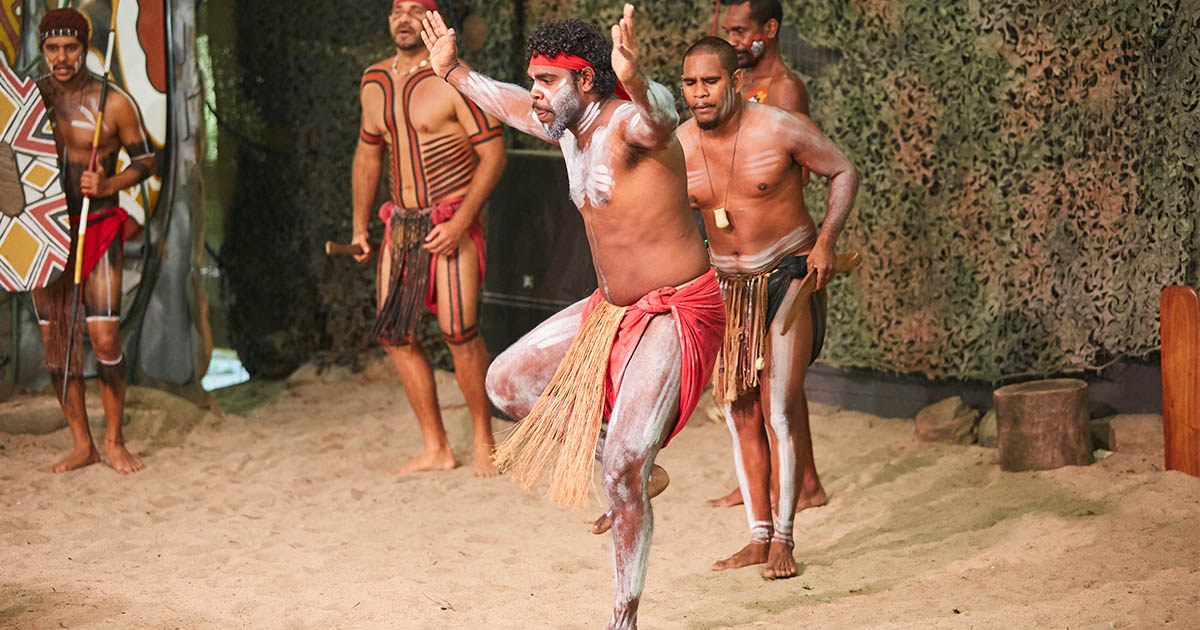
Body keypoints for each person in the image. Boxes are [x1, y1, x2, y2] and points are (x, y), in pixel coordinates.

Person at [421, 6, 724, 629]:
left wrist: (637, 78)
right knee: (503, 384)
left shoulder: (627, 126)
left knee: (621, 472)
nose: (535, 91)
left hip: (675, 311)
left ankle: (623, 617)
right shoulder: (566, 129)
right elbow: (507, 104)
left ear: (587, 80)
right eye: (534, 77)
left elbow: (664, 118)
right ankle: (629, 459)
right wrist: (453, 73)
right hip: (608, 309)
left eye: (548, 80)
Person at [677, 37, 858, 579]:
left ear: (735, 81)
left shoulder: (779, 127)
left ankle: (784, 539)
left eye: (710, 81)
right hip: (728, 287)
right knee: (739, 413)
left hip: (787, 275)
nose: (699, 94)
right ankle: (757, 538)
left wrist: (825, 241)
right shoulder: (679, 144)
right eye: (689, 83)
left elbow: (843, 171)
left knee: (779, 409)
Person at [351, 0, 506, 477]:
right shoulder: (374, 81)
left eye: (415, 9)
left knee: (460, 333)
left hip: (450, 219)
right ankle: (436, 446)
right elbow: (368, 155)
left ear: (434, 19)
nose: (403, 17)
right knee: (395, 333)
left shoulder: (455, 79)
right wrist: (359, 225)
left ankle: (483, 437)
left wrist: (459, 223)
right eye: (397, 8)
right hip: (401, 222)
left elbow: (495, 155)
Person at [707, 0, 821, 510]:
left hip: (783, 256)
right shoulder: (738, 83)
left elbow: (804, 163)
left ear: (769, 30)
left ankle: (799, 482)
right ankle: (774, 477)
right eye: (725, 31)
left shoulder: (783, 89)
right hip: (741, 262)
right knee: (760, 379)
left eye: (739, 30)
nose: (731, 39)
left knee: (778, 378)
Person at [33, 8, 156, 474]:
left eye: (70, 48)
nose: (61, 57)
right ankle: (82, 445)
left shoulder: (114, 102)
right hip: (46, 233)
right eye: (52, 49)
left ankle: (115, 439)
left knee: (104, 336)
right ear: (42, 51)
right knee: (57, 342)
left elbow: (146, 160)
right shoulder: (29, 102)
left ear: (85, 49)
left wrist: (108, 186)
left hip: (98, 226)